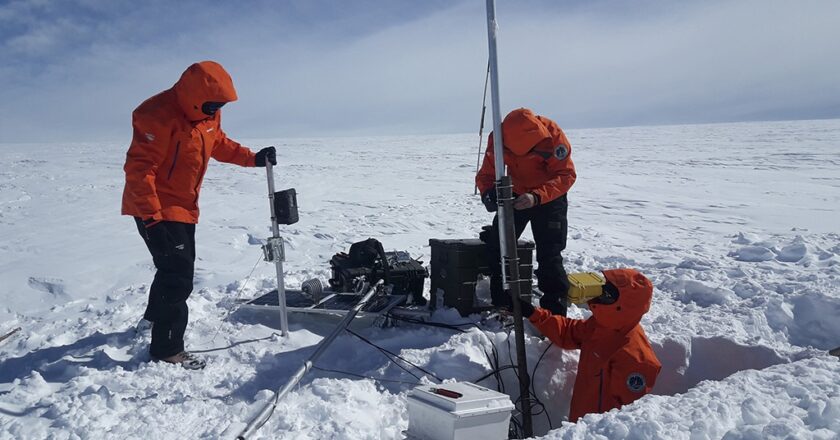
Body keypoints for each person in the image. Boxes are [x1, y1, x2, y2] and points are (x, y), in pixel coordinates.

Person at [121, 61, 276, 370]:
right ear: (193, 96)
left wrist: (252, 159)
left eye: (219, 105)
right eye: (212, 104)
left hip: (184, 207)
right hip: (154, 206)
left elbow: (218, 142)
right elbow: (140, 170)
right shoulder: (156, 115)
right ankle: (167, 349)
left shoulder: (207, 115)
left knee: (172, 268)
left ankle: (153, 318)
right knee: (177, 276)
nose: (216, 110)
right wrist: (152, 218)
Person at [518, 268, 661, 422]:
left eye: (607, 292)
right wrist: (532, 313)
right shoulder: (603, 325)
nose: (599, 293)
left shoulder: (636, 358)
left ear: (622, 304)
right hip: (578, 425)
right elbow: (568, 332)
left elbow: (629, 420)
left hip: (598, 432)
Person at [476, 108, 576, 315]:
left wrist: (536, 196)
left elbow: (566, 174)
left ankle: (555, 314)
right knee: (498, 245)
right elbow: (486, 174)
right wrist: (488, 194)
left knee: (550, 255)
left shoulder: (553, 136)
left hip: (550, 197)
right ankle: (502, 302)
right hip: (516, 195)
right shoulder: (498, 138)